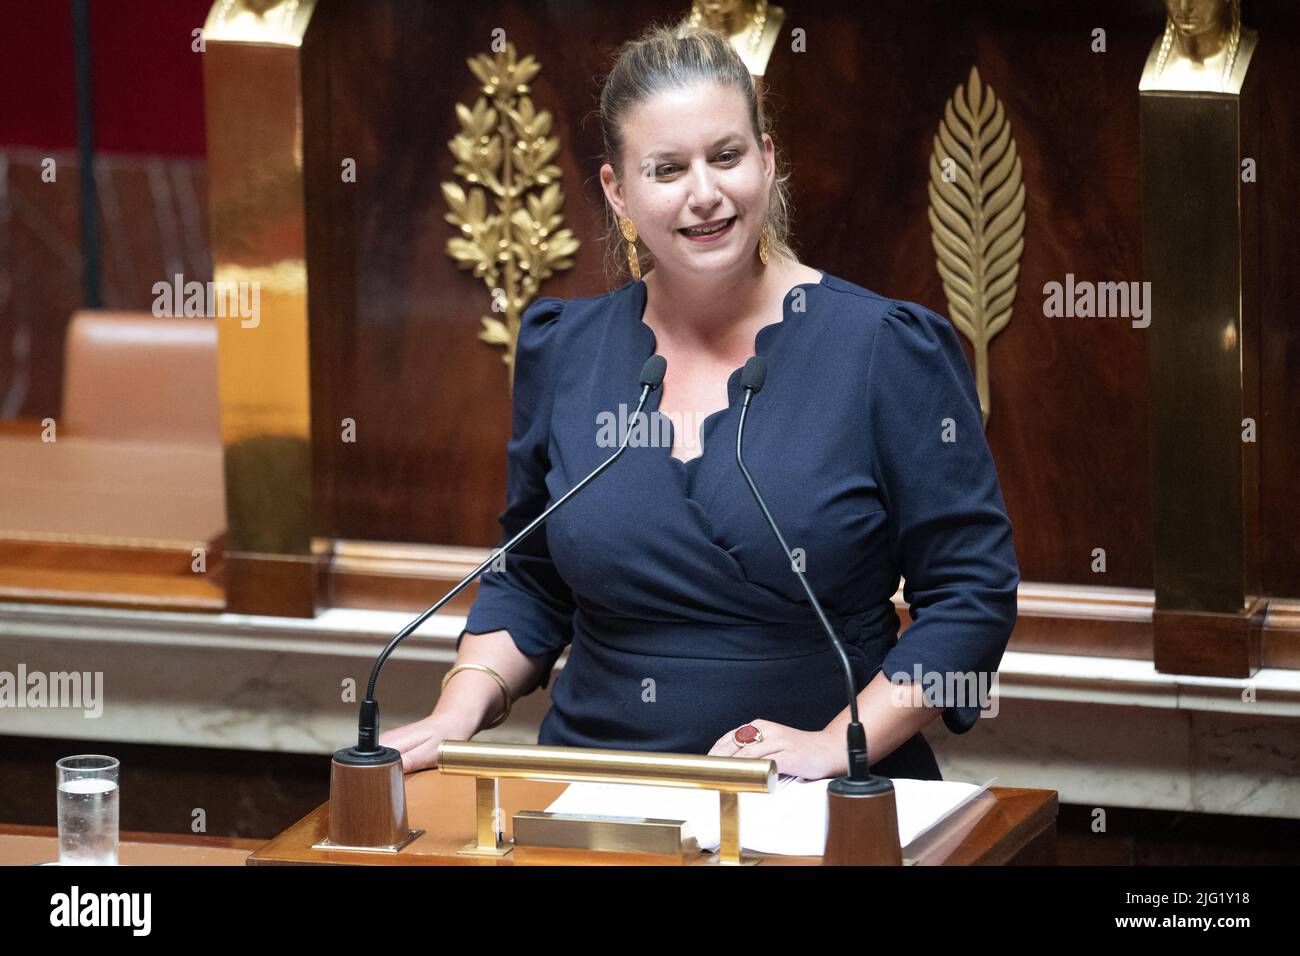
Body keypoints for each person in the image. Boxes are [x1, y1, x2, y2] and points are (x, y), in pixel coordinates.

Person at [381, 23, 1019, 781]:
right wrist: (456, 714)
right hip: (595, 798)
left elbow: (970, 595)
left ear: (768, 159)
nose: (705, 194)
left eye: (726, 156)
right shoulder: (565, 349)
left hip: (820, 797)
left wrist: (836, 744)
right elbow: (532, 579)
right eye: (667, 169)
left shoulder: (885, 348)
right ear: (618, 190)